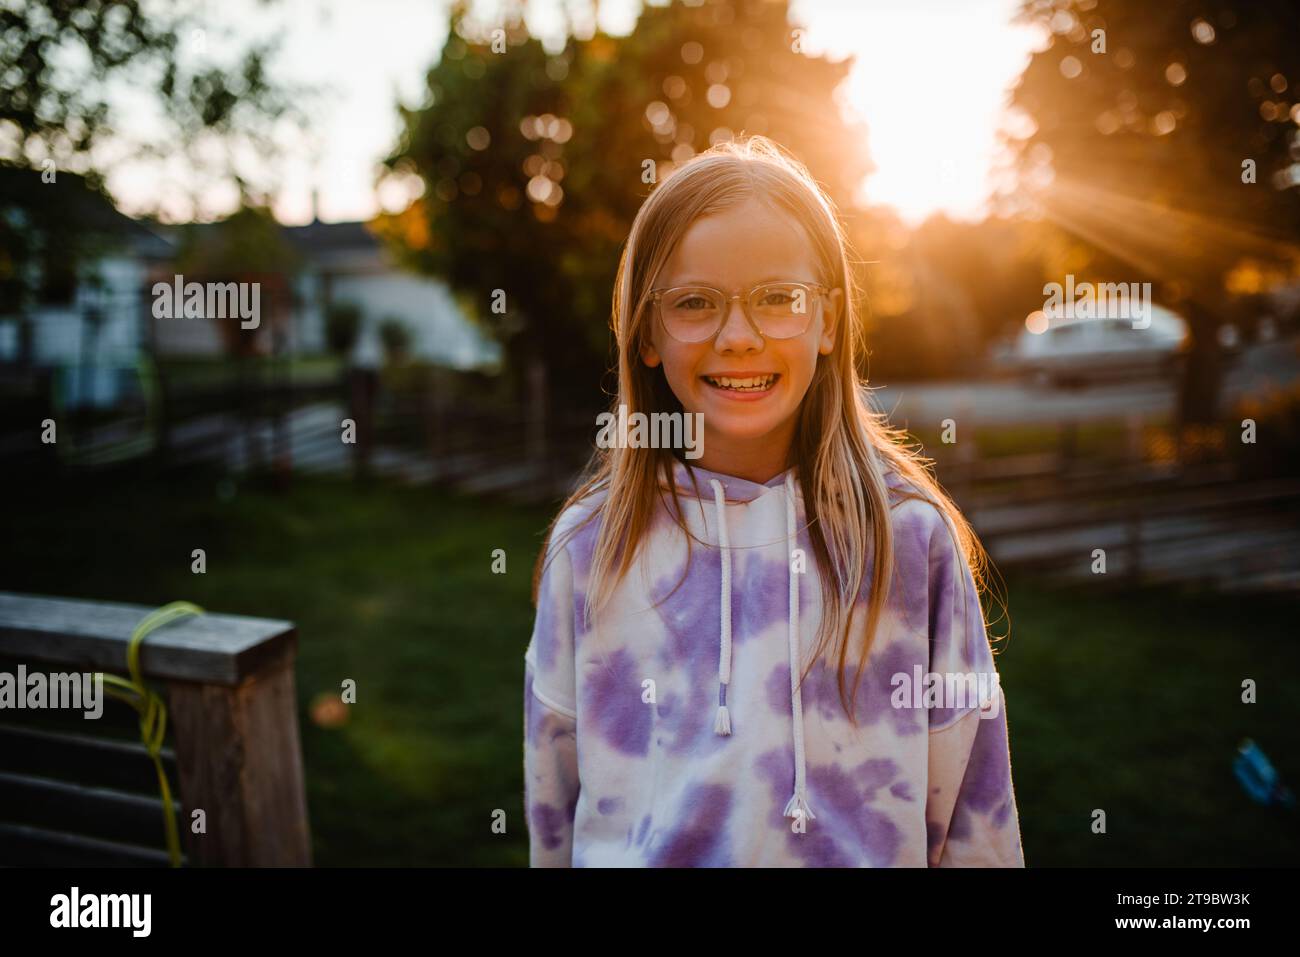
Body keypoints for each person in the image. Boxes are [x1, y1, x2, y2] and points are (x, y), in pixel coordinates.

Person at [523, 135, 1023, 867]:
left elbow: (978, 816)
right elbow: (553, 814)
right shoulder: (592, 548)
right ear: (648, 333)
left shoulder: (910, 540)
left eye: (778, 298)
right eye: (694, 302)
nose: (739, 336)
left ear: (827, 320)